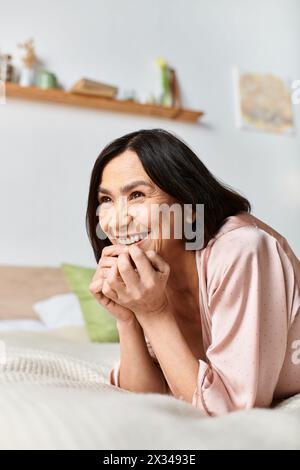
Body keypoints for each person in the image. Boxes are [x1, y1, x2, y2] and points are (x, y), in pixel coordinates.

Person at [86, 128, 300, 417]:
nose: (116, 220)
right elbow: (145, 398)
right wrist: (128, 319)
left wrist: (154, 313)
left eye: (136, 195)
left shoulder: (242, 247)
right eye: (106, 200)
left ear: (189, 208)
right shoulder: (150, 275)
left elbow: (231, 413)